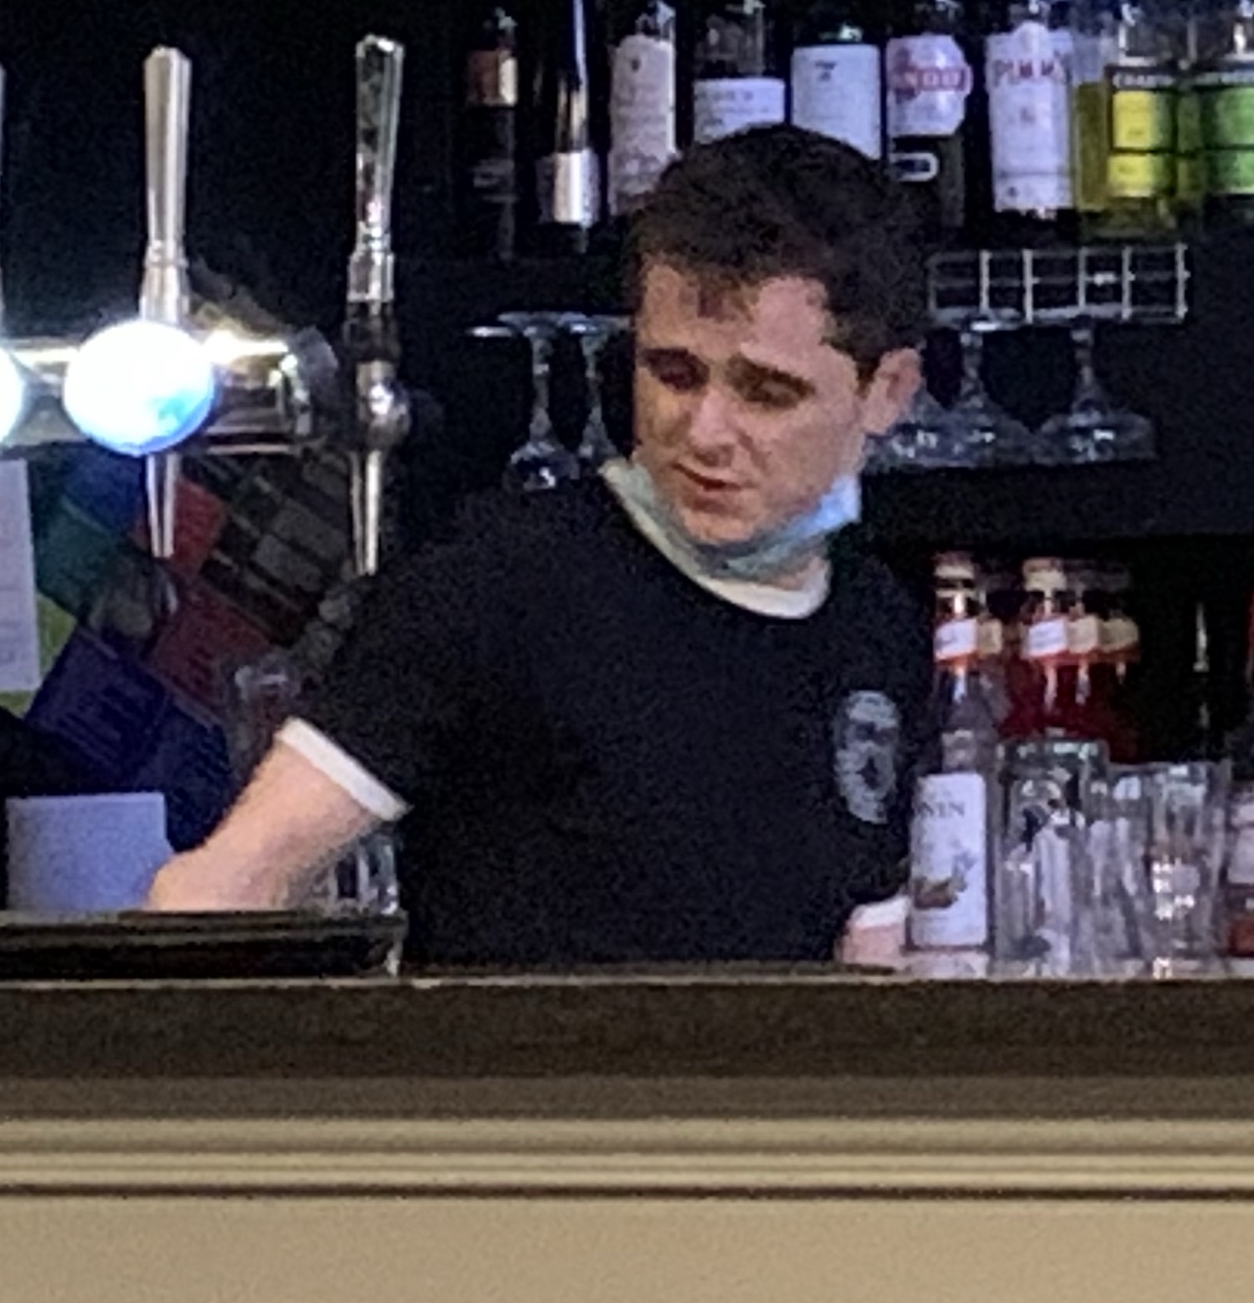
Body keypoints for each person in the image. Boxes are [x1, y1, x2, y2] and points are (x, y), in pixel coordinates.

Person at [149, 127, 933, 966]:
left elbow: (873, 964)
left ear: (887, 391)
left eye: (766, 392)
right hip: (514, 1058)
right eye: (672, 373)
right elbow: (225, 885)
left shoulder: (877, 628)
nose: (705, 430)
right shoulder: (503, 581)